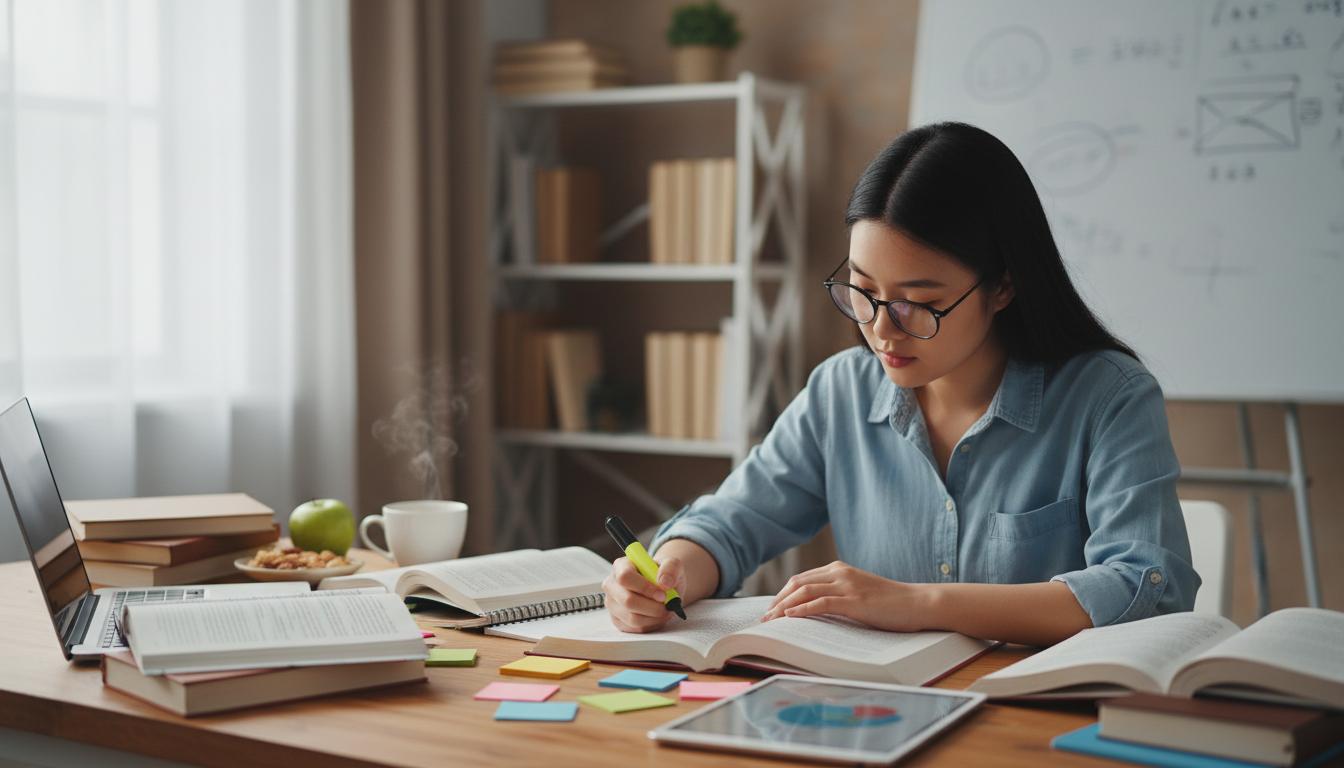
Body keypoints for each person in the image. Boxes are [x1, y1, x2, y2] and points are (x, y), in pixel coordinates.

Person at [602, 122, 1199, 647]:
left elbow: (1146, 586)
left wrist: (916, 604)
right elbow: (731, 523)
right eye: (863, 291)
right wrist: (668, 572)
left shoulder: (1108, 397)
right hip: (883, 710)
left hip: (1039, 717)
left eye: (918, 303)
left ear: (1002, 286)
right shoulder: (841, 392)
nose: (881, 329)